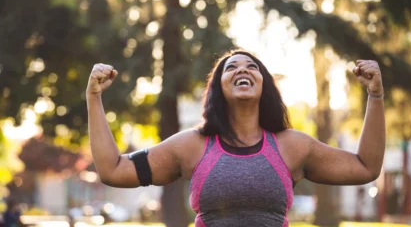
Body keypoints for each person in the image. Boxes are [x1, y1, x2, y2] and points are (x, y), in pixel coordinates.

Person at [86, 50, 385, 226]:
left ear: (263, 84)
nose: (243, 69)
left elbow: (365, 167)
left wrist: (375, 95)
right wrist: (94, 98)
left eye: (251, 67)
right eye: (232, 68)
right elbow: (113, 170)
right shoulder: (192, 145)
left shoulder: (291, 145)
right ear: (219, 87)